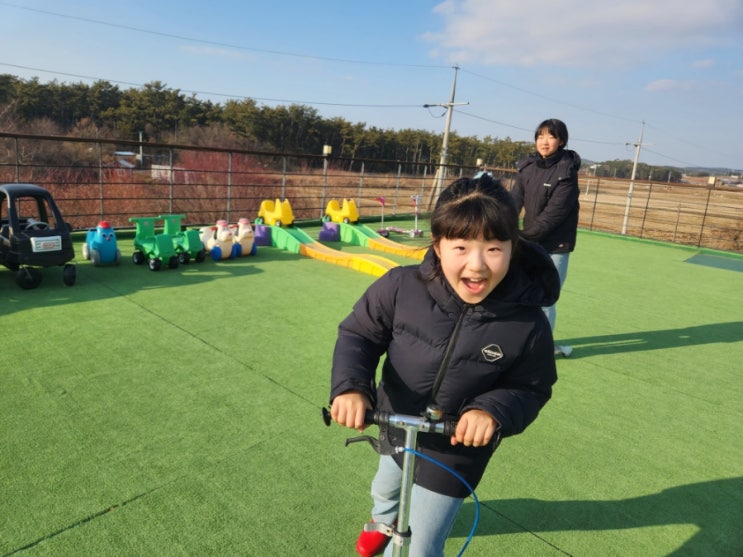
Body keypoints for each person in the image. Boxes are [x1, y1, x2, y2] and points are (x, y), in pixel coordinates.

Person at [329, 174, 560, 557]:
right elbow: (359, 334)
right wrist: (352, 386)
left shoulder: (528, 323)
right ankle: (380, 520)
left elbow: (532, 386)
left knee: (420, 547)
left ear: (513, 248)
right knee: (385, 489)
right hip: (394, 420)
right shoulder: (400, 287)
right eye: (461, 247)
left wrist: (491, 410)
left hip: (457, 447)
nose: (477, 265)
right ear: (437, 246)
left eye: (494, 249)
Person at [510, 118, 581, 358]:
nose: (544, 141)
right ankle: (523, 341)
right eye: (540, 136)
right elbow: (513, 201)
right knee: (521, 293)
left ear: (561, 140)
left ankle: (541, 351)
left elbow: (554, 215)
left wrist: (520, 235)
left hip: (555, 245)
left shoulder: (567, 171)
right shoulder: (527, 167)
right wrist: (499, 225)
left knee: (545, 298)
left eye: (550, 136)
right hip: (529, 241)